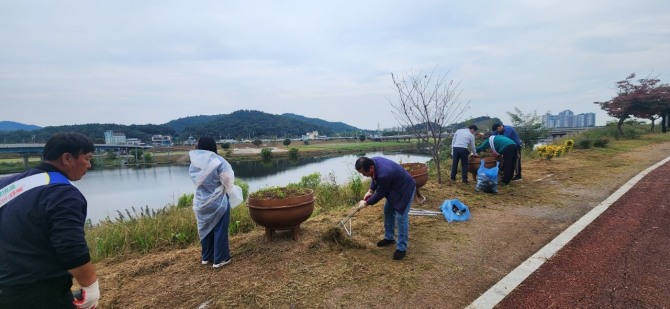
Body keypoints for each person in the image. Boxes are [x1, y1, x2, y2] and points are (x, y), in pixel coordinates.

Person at [0, 132, 99, 309]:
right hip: (39, 292)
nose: (89, 165)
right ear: (67, 158)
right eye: (87, 158)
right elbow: (70, 245)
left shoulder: (8, 185)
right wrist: (91, 287)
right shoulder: (62, 193)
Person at [188, 136, 241, 268]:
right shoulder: (218, 161)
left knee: (205, 228)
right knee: (219, 229)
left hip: (201, 202)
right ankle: (220, 259)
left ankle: (206, 257)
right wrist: (228, 190)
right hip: (218, 201)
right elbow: (227, 179)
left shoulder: (194, 163)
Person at [355, 156, 416, 260]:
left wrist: (366, 203)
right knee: (387, 211)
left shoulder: (385, 174)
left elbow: (380, 194)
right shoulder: (373, 161)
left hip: (405, 189)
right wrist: (370, 190)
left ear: (370, 168)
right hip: (393, 188)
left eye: (363, 173)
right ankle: (389, 238)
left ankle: (401, 248)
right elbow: (374, 177)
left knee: (401, 218)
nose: (363, 175)